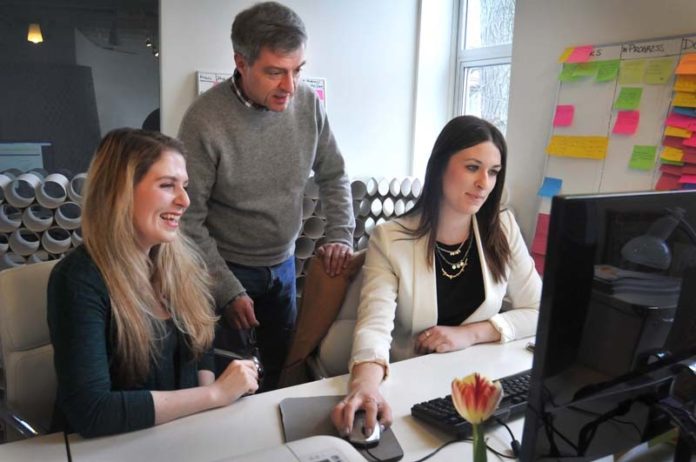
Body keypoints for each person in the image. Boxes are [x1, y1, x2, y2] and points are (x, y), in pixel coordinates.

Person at [178, 2, 354, 390]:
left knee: (283, 370)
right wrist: (226, 288)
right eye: (275, 73)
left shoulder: (307, 104)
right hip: (224, 268)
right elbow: (187, 222)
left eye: (297, 71)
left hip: (285, 264)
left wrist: (340, 233)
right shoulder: (204, 121)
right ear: (241, 62)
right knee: (230, 382)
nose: (290, 87)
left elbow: (335, 173)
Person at [331, 116, 542, 436]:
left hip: (478, 379)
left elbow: (539, 310)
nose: (484, 182)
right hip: (417, 380)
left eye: (494, 172)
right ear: (440, 166)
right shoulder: (391, 239)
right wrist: (366, 387)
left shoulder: (502, 227)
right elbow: (374, 328)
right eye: (473, 167)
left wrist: (471, 333)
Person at [47, 129, 259, 438]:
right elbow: (90, 411)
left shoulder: (179, 262)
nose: (184, 200)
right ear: (120, 192)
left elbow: (201, 347)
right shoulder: (77, 280)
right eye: (167, 185)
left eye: (184, 186)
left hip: (178, 435)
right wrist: (214, 395)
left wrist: (208, 413)